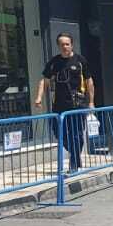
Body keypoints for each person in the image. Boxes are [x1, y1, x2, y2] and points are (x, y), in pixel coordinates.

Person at [35, 34, 93, 172]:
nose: (65, 47)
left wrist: (91, 102)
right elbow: (45, 80)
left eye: (67, 44)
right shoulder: (54, 62)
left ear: (72, 45)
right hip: (59, 106)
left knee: (77, 134)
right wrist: (38, 98)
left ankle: (73, 164)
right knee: (58, 132)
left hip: (77, 105)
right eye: (62, 44)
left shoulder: (80, 60)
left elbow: (89, 81)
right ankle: (75, 155)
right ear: (58, 46)